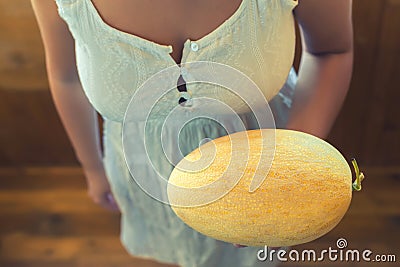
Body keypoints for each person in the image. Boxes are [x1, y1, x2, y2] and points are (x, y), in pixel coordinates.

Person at [31, 0, 353, 266]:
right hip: (144, 167)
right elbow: (66, 79)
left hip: (265, 163)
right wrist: (93, 167)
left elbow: (331, 50)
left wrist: (286, 170)